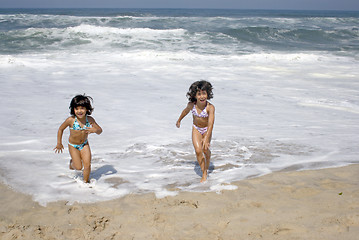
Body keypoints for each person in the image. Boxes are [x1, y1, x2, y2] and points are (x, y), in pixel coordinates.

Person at [54, 94, 102, 183]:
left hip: (84, 144)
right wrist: (59, 143)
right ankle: (72, 164)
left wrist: (95, 130)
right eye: (76, 108)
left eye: (82, 108)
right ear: (73, 109)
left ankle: (86, 182)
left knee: (87, 165)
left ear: (87, 109)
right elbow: (61, 129)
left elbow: (100, 131)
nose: (79, 111)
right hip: (73, 145)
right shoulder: (71, 120)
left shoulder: (90, 119)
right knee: (79, 167)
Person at [176, 80, 215, 182]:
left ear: (208, 94)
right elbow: (185, 111)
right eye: (199, 94)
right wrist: (179, 120)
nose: (202, 97)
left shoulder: (210, 108)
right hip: (196, 128)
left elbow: (211, 124)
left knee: (205, 150)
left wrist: (206, 138)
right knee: (198, 151)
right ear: (195, 95)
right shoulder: (191, 105)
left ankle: (208, 154)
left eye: (204, 93)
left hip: (207, 129)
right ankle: (204, 173)